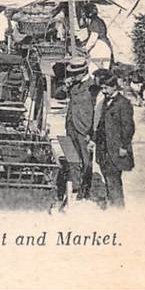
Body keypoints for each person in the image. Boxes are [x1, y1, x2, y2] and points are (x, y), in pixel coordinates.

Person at [54, 57, 98, 200]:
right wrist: (65, 86)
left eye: (76, 73)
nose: (73, 76)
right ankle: (75, 187)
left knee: (86, 162)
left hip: (85, 129)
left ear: (84, 71)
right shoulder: (73, 84)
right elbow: (58, 95)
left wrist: (92, 133)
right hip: (71, 126)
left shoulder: (93, 87)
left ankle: (85, 191)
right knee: (72, 159)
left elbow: (98, 111)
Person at [92, 70, 135, 208]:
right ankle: (112, 203)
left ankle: (118, 209)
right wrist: (94, 140)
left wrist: (124, 146)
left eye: (106, 88)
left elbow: (128, 127)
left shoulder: (124, 103)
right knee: (108, 177)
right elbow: (101, 124)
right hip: (104, 149)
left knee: (113, 179)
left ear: (114, 87)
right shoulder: (106, 101)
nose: (103, 91)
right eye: (102, 88)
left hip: (116, 149)